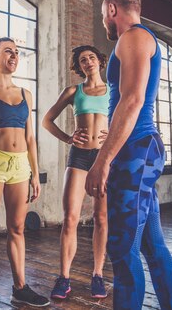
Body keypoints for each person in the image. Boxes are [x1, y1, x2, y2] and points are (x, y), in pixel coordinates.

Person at [85, 0, 172, 309]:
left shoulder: (133, 38)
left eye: (102, 14)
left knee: (122, 249)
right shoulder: (135, 40)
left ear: (111, 9)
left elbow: (132, 100)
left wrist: (102, 160)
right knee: (152, 245)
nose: (103, 22)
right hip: (137, 150)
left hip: (137, 150)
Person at [0, 37, 50, 310]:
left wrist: (35, 175)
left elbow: (30, 138)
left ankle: (20, 288)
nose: (14, 56)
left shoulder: (26, 93)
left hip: (20, 166)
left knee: (17, 228)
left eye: (16, 52)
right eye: (7, 51)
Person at [42, 45, 109, 300]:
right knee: (70, 217)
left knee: (100, 217)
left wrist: (112, 136)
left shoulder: (113, 91)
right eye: (83, 60)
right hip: (79, 156)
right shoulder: (73, 91)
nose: (88, 62)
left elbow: (127, 120)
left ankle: (98, 274)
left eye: (92, 57)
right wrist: (68, 138)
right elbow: (47, 120)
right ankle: (64, 277)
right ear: (78, 67)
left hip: (103, 157)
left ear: (99, 61)